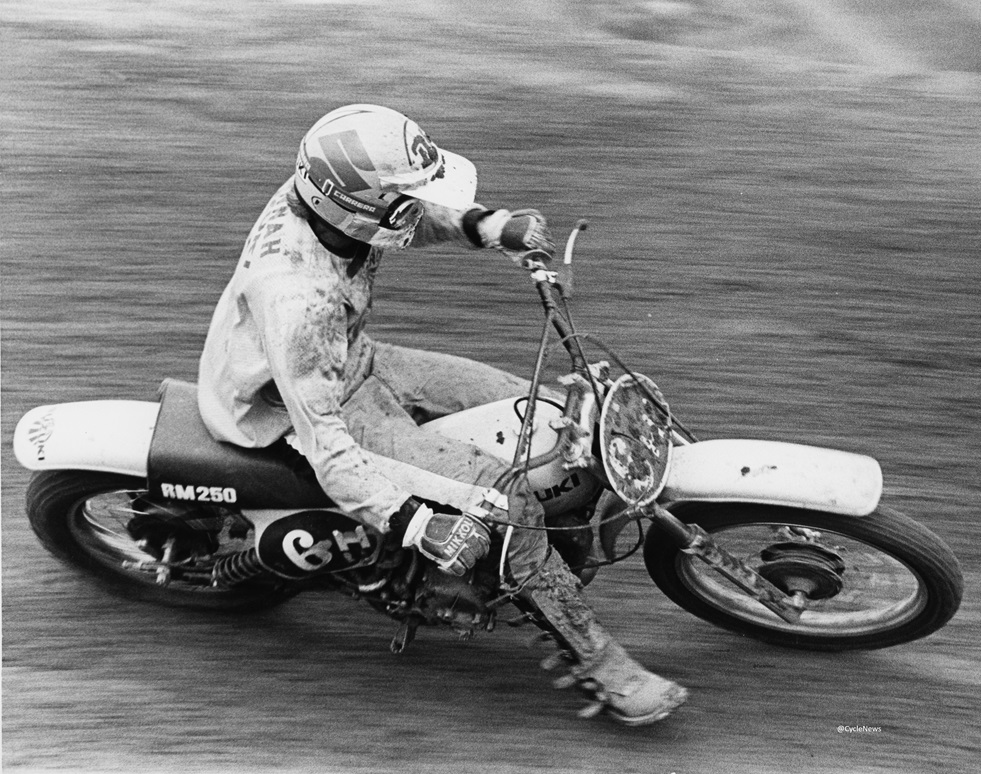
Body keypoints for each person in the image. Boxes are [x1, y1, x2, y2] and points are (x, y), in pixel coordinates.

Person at [197, 104, 687, 725]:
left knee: (552, 413)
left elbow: (407, 219)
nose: (415, 209)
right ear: (365, 209)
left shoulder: (328, 197)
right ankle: (600, 663)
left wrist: (488, 226)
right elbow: (327, 446)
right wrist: (416, 522)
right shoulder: (301, 299)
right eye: (406, 201)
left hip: (351, 359)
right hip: (292, 416)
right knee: (506, 500)